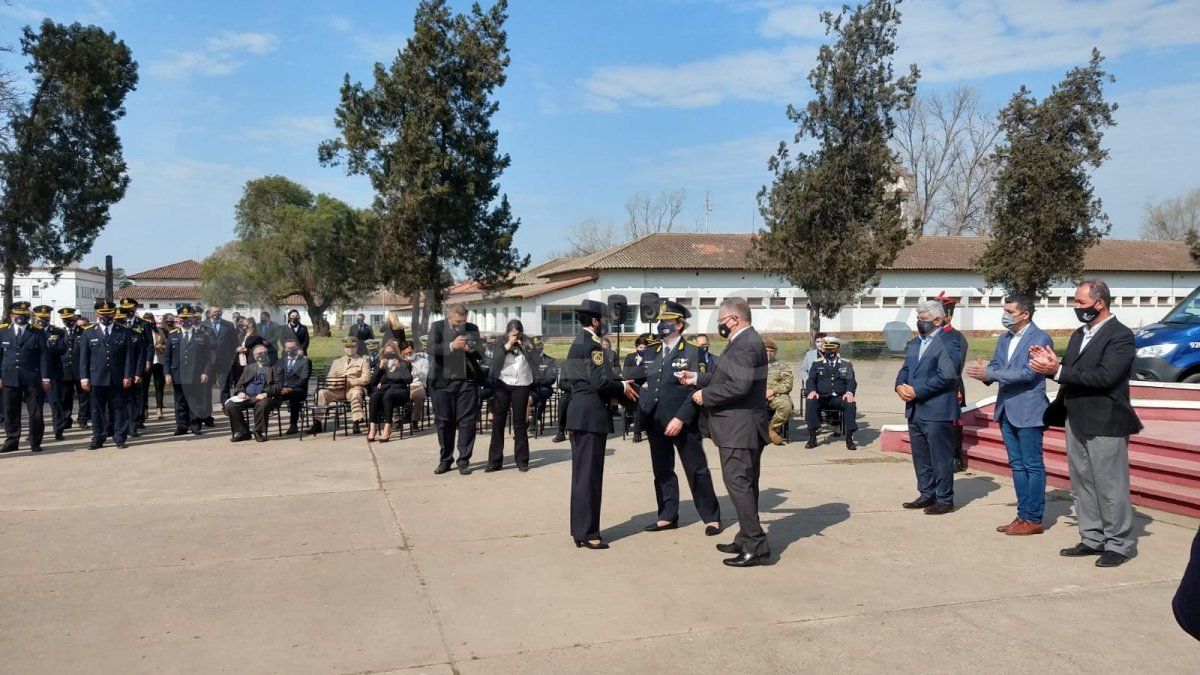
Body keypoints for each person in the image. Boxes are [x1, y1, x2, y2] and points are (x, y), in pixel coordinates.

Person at [1030, 279, 1141, 567]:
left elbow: (1105, 377)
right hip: (1076, 416)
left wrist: (1060, 370)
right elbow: (1070, 370)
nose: (1076, 308)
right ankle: (1092, 537)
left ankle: (1119, 544)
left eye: (1080, 302)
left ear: (1099, 303)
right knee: (1082, 483)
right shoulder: (1081, 334)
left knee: (1110, 485)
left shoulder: (1121, 336)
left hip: (1106, 419)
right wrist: (1050, 364)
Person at [682, 297, 770, 567]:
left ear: (734, 320)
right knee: (745, 484)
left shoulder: (746, 344)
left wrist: (704, 396)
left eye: (721, 321)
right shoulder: (744, 341)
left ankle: (755, 545)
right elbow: (727, 377)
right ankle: (747, 537)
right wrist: (696, 378)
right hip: (740, 427)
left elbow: (739, 387)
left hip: (738, 429)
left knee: (738, 485)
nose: (719, 326)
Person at [965, 294, 1053, 536]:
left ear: (1025, 314)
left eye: (1010, 311)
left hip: (1029, 409)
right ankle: (1022, 516)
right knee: (1016, 465)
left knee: (1032, 465)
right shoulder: (1005, 338)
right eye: (1004, 310)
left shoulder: (1040, 338)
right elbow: (995, 365)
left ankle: (1033, 518)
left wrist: (992, 374)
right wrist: (985, 372)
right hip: (1006, 409)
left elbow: (1029, 373)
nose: (1005, 315)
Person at [639, 301, 721, 536]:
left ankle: (711, 517)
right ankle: (667, 515)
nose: (662, 325)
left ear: (679, 324)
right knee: (662, 470)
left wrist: (680, 419)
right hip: (655, 421)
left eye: (667, 321)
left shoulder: (694, 351)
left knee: (696, 469)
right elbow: (645, 385)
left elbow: (695, 391)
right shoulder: (652, 350)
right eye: (660, 321)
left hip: (682, 422)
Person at [563, 299, 639, 549]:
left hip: (581, 413)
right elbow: (600, 382)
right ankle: (589, 533)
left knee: (582, 477)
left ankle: (580, 530)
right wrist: (623, 386)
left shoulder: (578, 343)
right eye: (603, 320)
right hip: (590, 416)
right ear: (595, 321)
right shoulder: (592, 345)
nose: (605, 324)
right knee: (589, 477)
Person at [895, 300, 964, 515]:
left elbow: (947, 375)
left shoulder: (951, 341)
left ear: (938, 320)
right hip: (915, 409)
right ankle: (927, 494)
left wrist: (918, 391)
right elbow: (905, 368)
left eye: (923, 320)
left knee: (940, 457)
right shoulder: (916, 343)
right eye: (918, 319)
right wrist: (899, 386)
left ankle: (944, 499)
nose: (919, 323)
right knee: (921, 456)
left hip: (937, 409)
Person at [427, 303, 484, 475]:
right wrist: (451, 345)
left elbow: (481, 352)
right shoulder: (437, 327)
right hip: (443, 383)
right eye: (458, 321)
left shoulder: (472, 328)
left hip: (466, 382)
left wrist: (471, 348)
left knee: (467, 423)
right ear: (449, 317)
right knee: (444, 423)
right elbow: (430, 349)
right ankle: (445, 460)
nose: (461, 324)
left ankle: (464, 460)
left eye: (464, 320)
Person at [79, 299, 137, 450]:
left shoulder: (124, 331)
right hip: (96, 378)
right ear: (97, 314)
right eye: (102, 314)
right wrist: (84, 378)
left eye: (109, 313)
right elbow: (84, 358)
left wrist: (128, 376)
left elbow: (129, 357)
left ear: (114, 313)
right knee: (97, 410)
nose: (106, 316)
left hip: (118, 378)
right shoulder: (88, 332)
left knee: (118, 408)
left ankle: (120, 438)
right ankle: (98, 438)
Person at [486, 319, 536, 472]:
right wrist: (508, 344)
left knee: (519, 422)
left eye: (517, 333)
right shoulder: (501, 344)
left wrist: (526, 344)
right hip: (503, 383)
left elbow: (535, 360)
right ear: (507, 333)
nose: (515, 336)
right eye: (512, 333)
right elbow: (495, 362)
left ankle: (522, 460)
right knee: (498, 421)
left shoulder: (526, 343)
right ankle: (495, 461)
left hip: (521, 383)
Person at [0, 301, 51, 453]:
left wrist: (45, 377)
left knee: (35, 412)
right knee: (10, 411)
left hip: (32, 377)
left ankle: (35, 441)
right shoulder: (3, 332)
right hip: (10, 377)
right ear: (12, 316)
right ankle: (12, 440)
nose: (21, 318)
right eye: (18, 315)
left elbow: (44, 356)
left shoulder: (37, 332)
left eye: (24, 315)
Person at [164, 305, 215, 436]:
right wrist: (167, 373)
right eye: (182, 318)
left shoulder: (202, 335)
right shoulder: (172, 335)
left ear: (193, 318)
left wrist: (206, 372)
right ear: (179, 319)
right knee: (180, 401)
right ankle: (182, 426)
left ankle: (195, 425)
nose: (185, 320)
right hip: (178, 374)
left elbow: (209, 357)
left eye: (188, 318)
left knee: (195, 401)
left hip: (196, 374)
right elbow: (167, 357)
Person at [804, 336, 858, 450]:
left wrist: (849, 393)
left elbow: (851, 381)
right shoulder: (817, 364)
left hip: (838, 398)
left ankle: (849, 438)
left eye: (831, 349)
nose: (829, 351)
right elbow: (811, 380)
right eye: (826, 349)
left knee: (850, 404)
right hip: (822, 397)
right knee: (810, 402)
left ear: (837, 349)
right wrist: (812, 391)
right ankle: (812, 436)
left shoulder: (845, 364)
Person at [936, 292, 970, 472]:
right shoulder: (929, 336)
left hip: (951, 386)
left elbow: (955, 368)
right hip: (931, 389)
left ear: (947, 315)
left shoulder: (957, 337)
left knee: (953, 424)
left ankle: (957, 458)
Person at [223, 344, 283, 443]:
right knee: (230, 405)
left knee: (262, 404)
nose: (263, 354)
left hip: (265, 397)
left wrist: (265, 394)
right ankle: (243, 431)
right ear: (255, 356)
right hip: (248, 396)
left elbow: (278, 386)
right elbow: (239, 384)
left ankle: (258, 431)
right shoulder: (248, 368)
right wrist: (240, 392)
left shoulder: (276, 368)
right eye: (260, 353)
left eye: (265, 352)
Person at [312, 338, 370, 435]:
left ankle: (356, 423)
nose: (350, 349)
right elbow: (330, 378)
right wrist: (339, 382)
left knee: (355, 394)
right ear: (343, 348)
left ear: (356, 347)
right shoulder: (337, 362)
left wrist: (350, 382)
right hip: (338, 389)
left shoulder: (363, 361)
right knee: (321, 393)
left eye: (352, 347)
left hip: (353, 388)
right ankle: (317, 423)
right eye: (347, 347)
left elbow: (366, 378)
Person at [118, 300, 154, 435]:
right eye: (125, 308)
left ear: (135, 308)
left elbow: (149, 345)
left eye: (130, 308)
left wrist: (148, 360)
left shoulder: (143, 324)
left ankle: (137, 420)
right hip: (121, 366)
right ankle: (125, 422)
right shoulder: (118, 323)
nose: (128, 310)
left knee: (138, 395)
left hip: (138, 363)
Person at [33, 305, 68, 441]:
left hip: (53, 372)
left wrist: (46, 350)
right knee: (36, 405)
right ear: (35, 317)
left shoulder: (58, 332)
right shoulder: (32, 331)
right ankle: (35, 432)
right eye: (40, 318)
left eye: (45, 318)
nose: (42, 320)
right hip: (35, 373)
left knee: (55, 403)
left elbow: (62, 349)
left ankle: (58, 430)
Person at [367, 339, 413, 442]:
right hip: (385, 390)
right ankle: (372, 428)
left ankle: (387, 428)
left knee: (388, 396)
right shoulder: (382, 363)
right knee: (375, 396)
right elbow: (373, 382)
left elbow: (409, 380)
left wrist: (400, 368)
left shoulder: (404, 362)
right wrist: (379, 368)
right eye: (386, 352)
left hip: (400, 390)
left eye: (391, 351)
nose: (388, 354)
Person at [55, 308, 86, 434]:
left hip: (80, 369)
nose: (68, 322)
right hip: (64, 370)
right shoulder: (59, 333)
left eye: (70, 319)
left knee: (83, 397)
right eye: (65, 320)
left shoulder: (83, 332)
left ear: (75, 319)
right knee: (65, 397)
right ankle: (66, 420)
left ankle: (82, 419)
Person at [205, 305, 239, 415]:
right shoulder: (203, 325)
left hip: (224, 360)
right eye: (214, 311)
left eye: (218, 311)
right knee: (207, 386)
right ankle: (207, 409)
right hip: (208, 361)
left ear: (222, 312)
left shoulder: (228, 325)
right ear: (209, 313)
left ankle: (226, 407)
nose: (216, 313)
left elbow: (234, 342)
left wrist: (232, 358)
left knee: (224, 385)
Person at [763, 338, 795, 445]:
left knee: (786, 406)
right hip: (756, 395)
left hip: (776, 395)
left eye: (772, 351)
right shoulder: (753, 364)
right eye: (766, 351)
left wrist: (774, 391)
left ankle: (771, 429)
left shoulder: (782, 366)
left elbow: (788, 383)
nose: (769, 353)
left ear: (775, 352)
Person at [622, 334, 652, 443]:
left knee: (642, 399)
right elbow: (626, 373)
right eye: (640, 347)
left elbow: (652, 373)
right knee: (637, 402)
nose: (643, 350)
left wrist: (647, 381)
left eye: (645, 348)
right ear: (636, 347)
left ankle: (642, 427)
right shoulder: (630, 357)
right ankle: (637, 432)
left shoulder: (650, 359)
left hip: (646, 386)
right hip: (633, 386)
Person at [279, 338, 310, 435]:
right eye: (288, 348)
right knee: (268, 396)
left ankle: (293, 425)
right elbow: (277, 377)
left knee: (293, 396)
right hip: (282, 389)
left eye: (293, 347)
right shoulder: (280, 362)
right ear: (285, 349)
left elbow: (304, 378)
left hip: (298, 389)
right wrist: (280, 388)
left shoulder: (305, 361)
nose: (290, 349)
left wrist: (290, 388)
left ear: (297, 348)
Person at [143, 312, 168, 421]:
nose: (150, 322)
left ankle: (159, 408)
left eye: (151, 319)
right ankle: (144, 409)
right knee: (145, 387)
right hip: (146, 362)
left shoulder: (160, 331)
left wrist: (161, 346)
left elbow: (167, 345)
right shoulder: (141, 331)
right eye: (147, 320)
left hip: (158, 361)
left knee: (159, 386)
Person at [528, 337, 556, 428]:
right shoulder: (527, 360)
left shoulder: (550, 360)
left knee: (541, 394)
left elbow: (551, 378)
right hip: (529, 387)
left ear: (542, 345)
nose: (537, 347)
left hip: (544, 387)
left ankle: (536, 418)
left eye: (538, 344)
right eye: (534, 345)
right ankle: (524, 421)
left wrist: (537, 381)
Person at [71, 314, 92, 430]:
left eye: (84, 325)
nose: (81, 328)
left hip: (86, 371)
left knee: (84, 398)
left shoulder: (91, 335)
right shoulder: (74, 336)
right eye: (79, 326)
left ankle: (83, 419)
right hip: (73, 370)